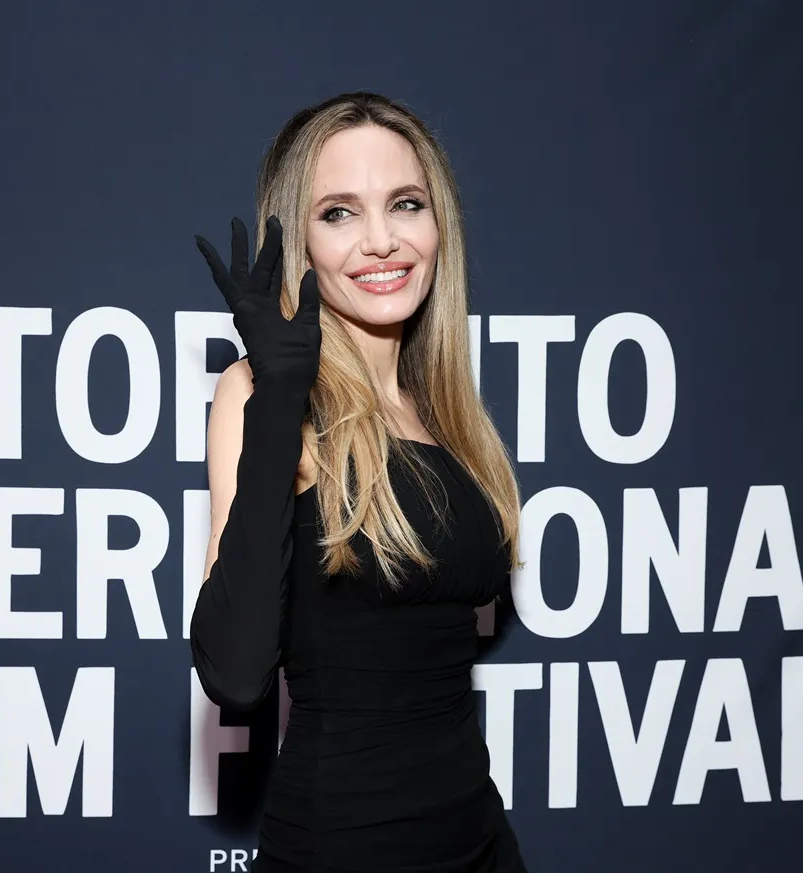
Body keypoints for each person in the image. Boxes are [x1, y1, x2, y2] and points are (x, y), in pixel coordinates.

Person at [190, 91, 528, 873]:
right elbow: (236, 674)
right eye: (338, 213)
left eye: (405, 204)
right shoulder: (263, 394)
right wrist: (280, 397)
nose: (381, 241)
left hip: (478, 838)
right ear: (296, 239)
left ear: (438, 224)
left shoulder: (443, 404)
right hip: (344, 847)